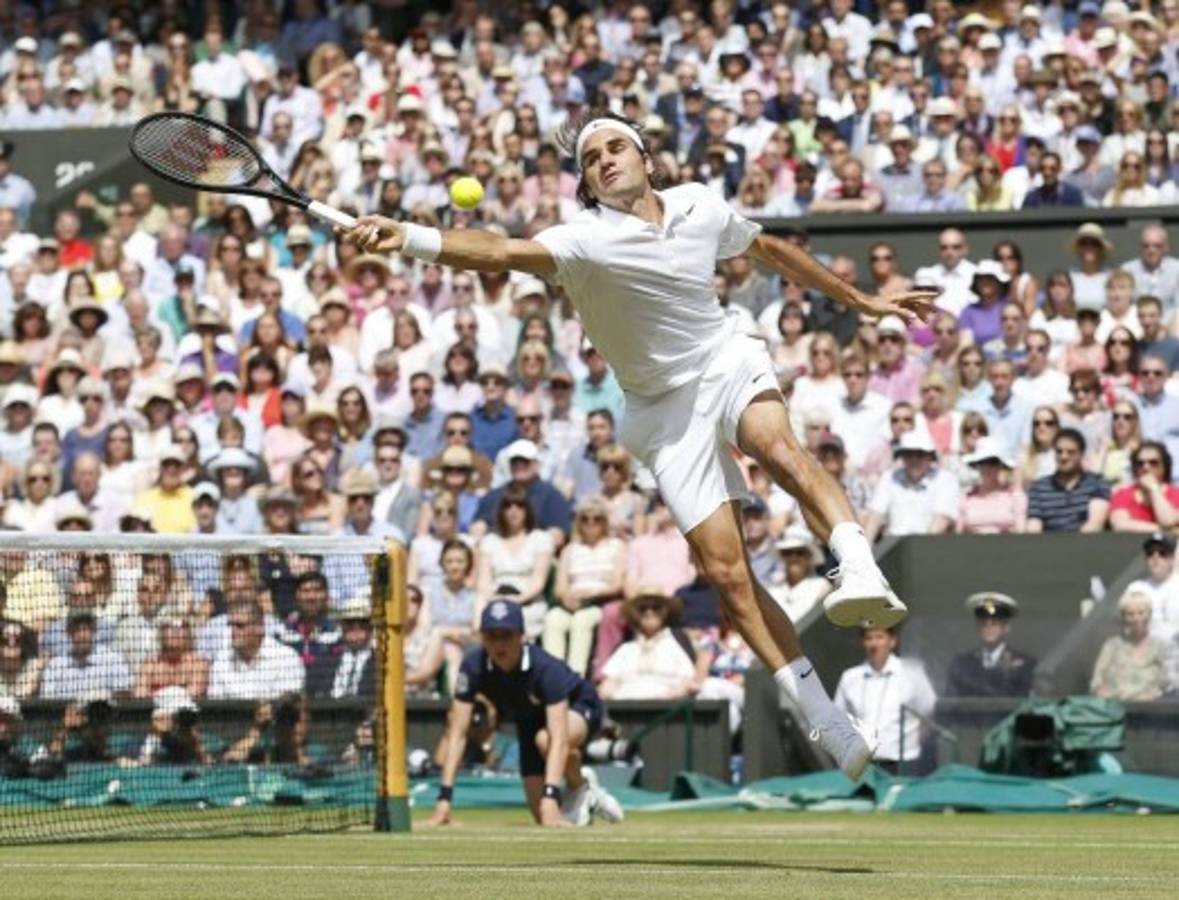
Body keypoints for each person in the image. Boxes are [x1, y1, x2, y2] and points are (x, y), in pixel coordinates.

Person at [345, 109, 938, 778]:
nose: (602, 159)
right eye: (590, 158)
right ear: (589, 187)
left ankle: (856, 568)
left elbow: (767, 249)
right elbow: (498, 251)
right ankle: (818, 709)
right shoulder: (583, 240)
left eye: (614, 147)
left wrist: (859, 299)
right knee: (725, 574)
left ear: (647, 160)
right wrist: (410, 238)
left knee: (779, 450)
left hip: (722, 357)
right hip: (660, 410)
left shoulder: (698, 206)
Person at [430, 599, 623, 828]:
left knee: (546, 741)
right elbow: (457, 733)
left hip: (579, 705)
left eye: (507, 635)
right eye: (492, 635)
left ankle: (579, 788)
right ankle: (585, 786)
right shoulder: (472, 666)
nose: (499, 644)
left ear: (522, 635)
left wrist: (550, 796)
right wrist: (444, 799)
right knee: (542, 820)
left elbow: (559, 737)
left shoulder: (545, 668)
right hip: (529, 719)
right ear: (482, 637)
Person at [833, 626, 937, 775]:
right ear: (863, 643)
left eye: (880, 637)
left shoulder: (912, 673)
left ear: (892, 641)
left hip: (904, 763)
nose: (874, 644)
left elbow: (928, 712)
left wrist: (913, 741)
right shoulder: (850, 677)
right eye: (869, 638)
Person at [945, 592, 1037, 697]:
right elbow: (950, 703)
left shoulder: (1025, 664)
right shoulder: (961, 664)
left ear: (1006, 628)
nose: (989, 628)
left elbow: (1024, 703)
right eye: (983, 623)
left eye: (995, 623)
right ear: (977, 628)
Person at [1090, 590, 1173, 702]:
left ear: (1149, 614)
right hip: (1116, 709)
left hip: (1151, 711)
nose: (1136, 618)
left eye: (1141, 613)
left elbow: (1170, 683)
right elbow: (1096, 682)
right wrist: (1103, 693)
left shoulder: (1162, 647)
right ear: (1123, 618)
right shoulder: (1112, 645)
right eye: (1130, 614)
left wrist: (1153, 695)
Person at [1027, 429, 1111, 533]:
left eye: (1070, 452)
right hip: (1048, 546)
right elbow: (1034, 528)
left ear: (1081, 454)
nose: (1064, 456)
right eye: (1059, 451)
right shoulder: (1039, 488)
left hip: (1087, 545)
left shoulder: (1097, 483)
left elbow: (1095, 524)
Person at [1109, 442, 1179, 532]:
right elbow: (1120, 524)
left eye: (1153, 462)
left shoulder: (1176, 494)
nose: (1146, 467)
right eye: (1140, 463)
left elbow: (1168, 521)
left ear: (1164, 466)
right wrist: (1162, 529)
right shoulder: (1123, 494)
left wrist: (1154, 488)